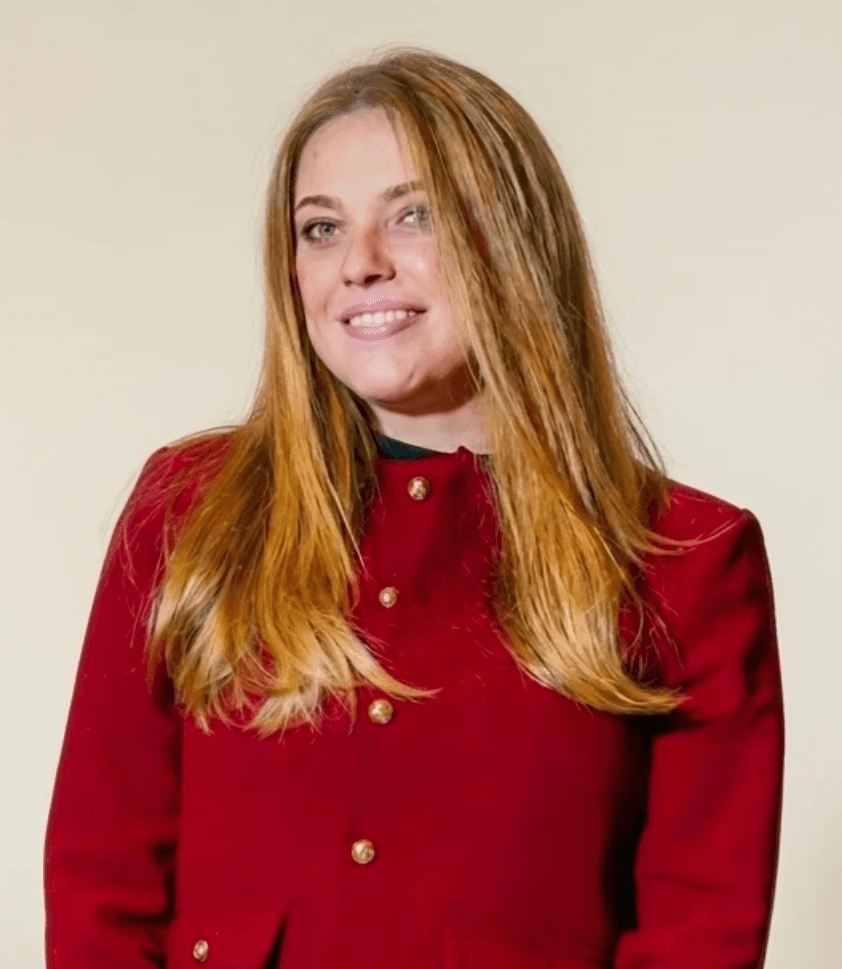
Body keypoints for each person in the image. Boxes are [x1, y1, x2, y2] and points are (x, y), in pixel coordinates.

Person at [44, 46, 784, 969]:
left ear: (510, 240)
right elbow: (99, 894)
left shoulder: (684, 556)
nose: (360, 263)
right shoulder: (187, 511)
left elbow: (698, 939)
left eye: (415, 215)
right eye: (320, 228)